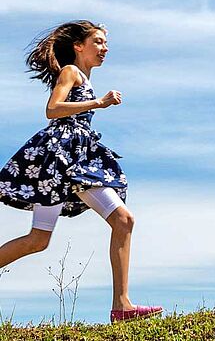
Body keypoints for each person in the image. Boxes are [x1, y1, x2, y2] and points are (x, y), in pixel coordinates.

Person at [0, 21, 162, 322]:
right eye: (98, 42)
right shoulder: (71, 72)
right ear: (79, 46)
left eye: (105, 43)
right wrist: (99, 103)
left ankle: (122, 305)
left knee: (38, 240)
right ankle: (122, 305)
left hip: (70, 159)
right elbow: (53, 109)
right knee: (124, 220)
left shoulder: (84, 78)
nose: (105, 48)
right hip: (66, 159)